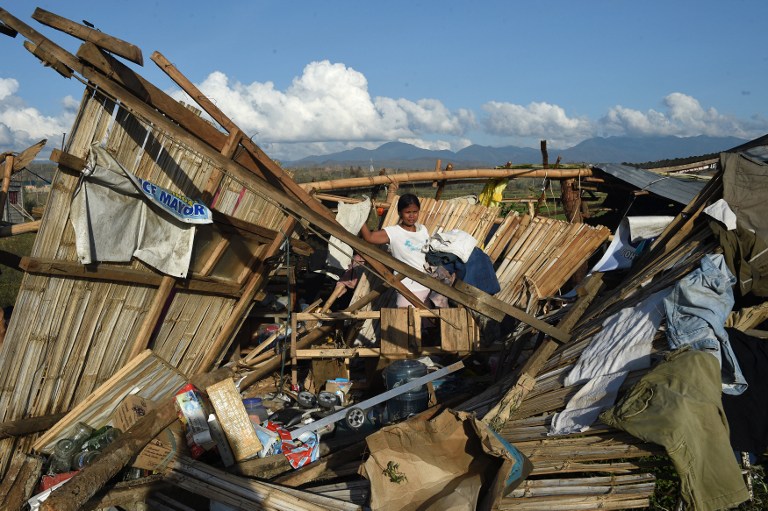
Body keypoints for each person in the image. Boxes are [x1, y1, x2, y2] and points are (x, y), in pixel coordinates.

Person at [360, 194, 431, 307]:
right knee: (406, 321)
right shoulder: (393, 232)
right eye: (408, 212)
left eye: (415, 212)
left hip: (427, 285)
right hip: (406, 287)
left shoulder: (423, 230)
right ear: (400, 213)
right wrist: (359, 216)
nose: (412, 216)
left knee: (427, 323)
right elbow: (369, 237)